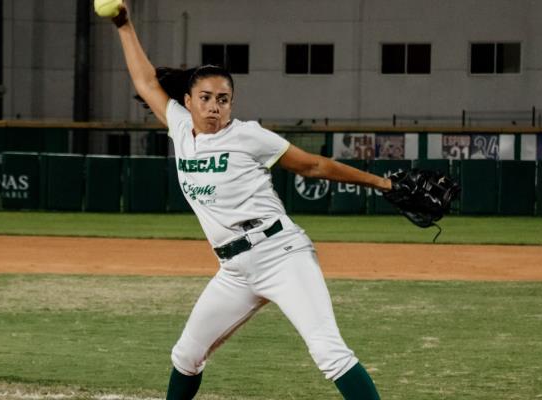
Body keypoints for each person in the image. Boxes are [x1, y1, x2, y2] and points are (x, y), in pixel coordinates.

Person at [107, 3, 388, 399]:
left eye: (223, 99)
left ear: (231, 105)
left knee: (329, 352)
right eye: (205, 97)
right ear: (188, 101)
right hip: (235, 269)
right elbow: (145, 82)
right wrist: (123, 24)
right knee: (187, 354)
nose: (214, 106)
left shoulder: (247, 136)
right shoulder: (181, 130)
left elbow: (313, 165)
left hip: (281, 253)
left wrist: (383, 183)